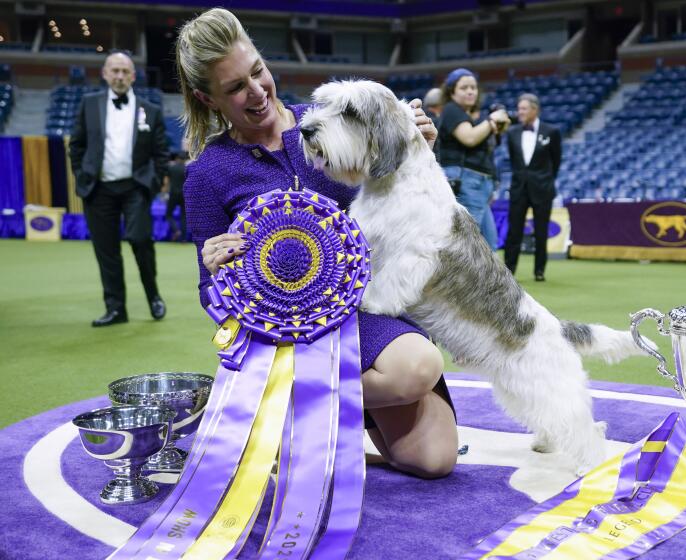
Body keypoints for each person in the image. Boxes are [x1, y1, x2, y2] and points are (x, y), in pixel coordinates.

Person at [176, 8, 456, 479]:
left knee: (433, 460)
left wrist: (416, 150)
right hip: (287, 335)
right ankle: (287, 399)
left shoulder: (333, 117)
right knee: (416, 368)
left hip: (367, 309)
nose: (258, 91)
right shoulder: (207, 173)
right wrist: (218, 271)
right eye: (236, 88)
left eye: (258, 71)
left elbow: (406, 200)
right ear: (208, 98)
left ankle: (286, 409)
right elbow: (211, 292)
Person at [69, 50, 169, 327]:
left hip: (135, 187)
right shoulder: (89, 104)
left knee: (140, 241)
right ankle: (116, 309)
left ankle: (153, 297)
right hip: (98, 189)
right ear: (105, 73)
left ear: (133, 76)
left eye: (125, 71)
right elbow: (76, 145)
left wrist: (151, 182)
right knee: (106, 250)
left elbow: (161, 154)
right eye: (114, 70)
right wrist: (81, 174)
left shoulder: (151, 110)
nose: (120, 76)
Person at [436, 67, 510, 248]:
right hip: (466, 180)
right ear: (452, 91)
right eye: (464, 88)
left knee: (489, 242)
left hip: (480, 182)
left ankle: (489, 277)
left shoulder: (471, 116)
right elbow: (469, 138)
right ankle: (455, 277)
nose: (470, 91)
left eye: (473, 87)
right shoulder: (451, 110)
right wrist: (491, 121)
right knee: (467, 243)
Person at [504, 93, 561, 282]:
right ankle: (508, 271)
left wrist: (545, 181)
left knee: (541, 231)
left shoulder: (551, 131)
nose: (519, 112)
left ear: (535, 110)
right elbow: (514, 161)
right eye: (519, 108)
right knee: (514, 232)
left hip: (542, 189)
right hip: (519, 188)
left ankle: (539, 271)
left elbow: (556, 162)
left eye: (523, 109)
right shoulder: (512, 132)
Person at [164, 150, 188, 241]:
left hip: (173, 193)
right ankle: (184, 238)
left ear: (177, 158)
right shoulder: (187, 169)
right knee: (183, 216)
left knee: (168, 214)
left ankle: (176, 230)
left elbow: (166, 181)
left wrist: (165, 192)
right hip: (184, 194)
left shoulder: (171, 168)